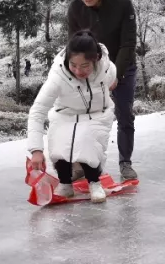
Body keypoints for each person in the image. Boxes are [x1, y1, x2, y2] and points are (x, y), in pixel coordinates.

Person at [66, 0, 139, 182]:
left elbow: (128, 43)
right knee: (84, 117)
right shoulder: (75, 9)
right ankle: (83, 164)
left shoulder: (121, 2)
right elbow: (74, 46)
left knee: (124, 115)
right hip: (91, 70)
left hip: (123, 65)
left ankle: (125, 163)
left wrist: (116, 74)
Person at [26, 30, 118, 203]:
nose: (78, 70)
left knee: (86, 140)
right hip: (65, 115)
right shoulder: (57, 77)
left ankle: (94, 182)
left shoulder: (107, 68)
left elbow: (113, 75)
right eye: (73, 65)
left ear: (96, 59)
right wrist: (36, 150)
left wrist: (115, 81)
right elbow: (37, 111)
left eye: (85, 66)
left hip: (97, 115)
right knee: (60, 144)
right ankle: (65, 183)